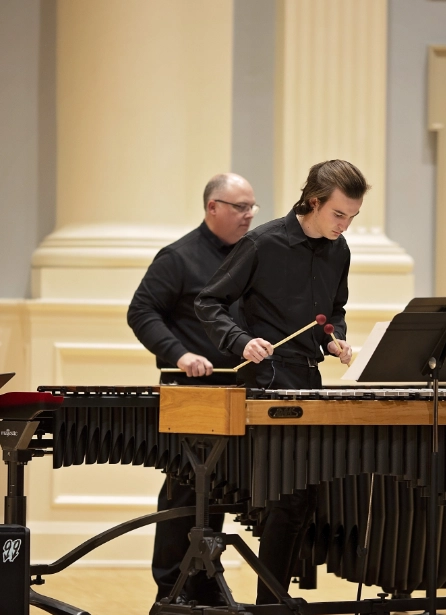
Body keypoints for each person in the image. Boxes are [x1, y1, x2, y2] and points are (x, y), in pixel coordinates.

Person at [194, 159, 370, 604]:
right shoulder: (263, 243)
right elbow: (209, 302)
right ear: (313, 202)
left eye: (352, 217)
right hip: (267, 381)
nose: (345, 225)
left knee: (304, 498)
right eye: (338, 214)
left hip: (308, 381)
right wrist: (240, 340)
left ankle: (273, 599)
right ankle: (270, 602)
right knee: (286, 498)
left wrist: (336, 340)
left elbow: (335, 311)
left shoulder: (339, 250)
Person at [127, 172, 258, 605]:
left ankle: (206, 582)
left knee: (220, 491)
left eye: (252, 206)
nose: (249, 214)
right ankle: (173, 588)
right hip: (190, 394)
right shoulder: (178, 257)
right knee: (187, 491)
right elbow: (142, 312)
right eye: (240, 207)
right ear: (213, 208)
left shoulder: (250, 255)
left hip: (238, 394)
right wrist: (179, 354)